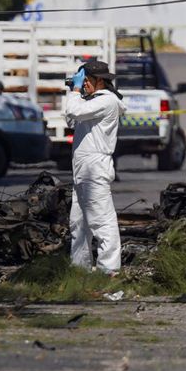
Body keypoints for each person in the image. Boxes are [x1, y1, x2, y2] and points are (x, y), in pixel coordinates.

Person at [65, 60, 127, 274]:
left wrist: (74, 90)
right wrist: (78, 93)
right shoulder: (91, 101)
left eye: (86, 81)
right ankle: (79, 269)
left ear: (100, 80)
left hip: (94, 168)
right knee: (78, 224)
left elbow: (75, 112)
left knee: (102, 221)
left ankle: (109, 270)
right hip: (82, 169)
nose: (83, 85)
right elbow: (71, 119)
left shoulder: (107, 101)